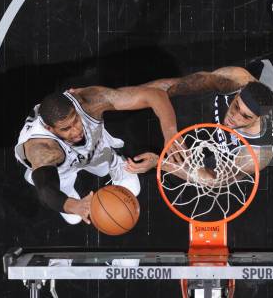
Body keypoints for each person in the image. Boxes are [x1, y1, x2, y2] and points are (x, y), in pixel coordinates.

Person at [126, 0, 273, 178]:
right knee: (261, 67)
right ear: (239, 93)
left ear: (257, 118)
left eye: (245, 116)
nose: (234, 116)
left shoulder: (256, 153)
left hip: (242, 139)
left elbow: (215, 181)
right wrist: (132, 95)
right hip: (249, 92)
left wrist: (158, 163)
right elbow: (172, 86)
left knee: (268, 75)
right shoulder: (236, 81)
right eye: (236, 106)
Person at [14, 85, 177, 224]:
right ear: (50, 129)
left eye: (75, 121)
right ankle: (69, 195)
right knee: (74, 218)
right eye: (66, 129)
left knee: (132, 189)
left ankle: (114, 161)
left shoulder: (88, 101)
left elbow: (154, 94)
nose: (76, 130)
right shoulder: (42, 148)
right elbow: (45, 188)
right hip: (62, 169)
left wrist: (171, 134)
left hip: (96, 149)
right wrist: (74, 206)